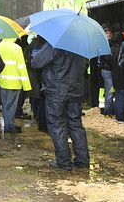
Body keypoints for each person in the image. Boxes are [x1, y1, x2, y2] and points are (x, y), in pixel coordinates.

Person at [31, 40, 90, 171]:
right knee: (75, 124)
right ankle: (83, 159)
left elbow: (36, 63)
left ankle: (63, 161)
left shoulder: (55, 43)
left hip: (56, 91)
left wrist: (36, 53)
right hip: (75, 90)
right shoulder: (80, 45)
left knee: (57, 124)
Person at [0, 38, 32, 135]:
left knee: (5, 105)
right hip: (15, 82)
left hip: (2, 81)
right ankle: (9, 127)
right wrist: (26, 86)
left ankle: (8, 125)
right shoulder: (17, 48)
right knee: (11, 106)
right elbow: (21, 68)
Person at [99, 24, 115, 116]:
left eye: (109, 32)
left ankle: (109, 110)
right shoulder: (104, 44)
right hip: (107, 69)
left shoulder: (105, 43)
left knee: (110, 91)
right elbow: (107, 57)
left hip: (107, 69)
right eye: (106, 32)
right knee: (109, 91)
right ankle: (108, 112)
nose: (109, 34)